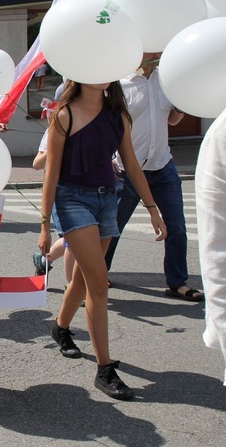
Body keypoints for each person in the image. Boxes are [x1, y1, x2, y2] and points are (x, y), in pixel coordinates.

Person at [39, 79, 166, 400]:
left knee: (83, 280)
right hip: (71, 201)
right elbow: (51, 172)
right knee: (98, 283)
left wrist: (153, 208)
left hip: (108, 199)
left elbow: (133, 165)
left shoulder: (117, 114)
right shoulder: (64, 115)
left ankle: (60, 327)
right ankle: (105, 368)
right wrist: (43, 224)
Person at [104, 53, 203, 302]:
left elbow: (172, 119)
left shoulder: (166, 80)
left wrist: (181, 105)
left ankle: (177, 282)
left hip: (162, 165)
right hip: (127, 170)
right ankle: (98, 277)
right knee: (112, 228)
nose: (159, 54)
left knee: (177, 226)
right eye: (154, 50)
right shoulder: (119, 85)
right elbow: (106, 127)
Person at [194, 107, 226, 384]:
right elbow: (217, 253)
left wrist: (152, 207)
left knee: (177, 232)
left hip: (157, 168)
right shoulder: (221, 134)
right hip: (77, 196)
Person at [31, 129, 75, 286]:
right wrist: (54, 146)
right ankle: (72, 288)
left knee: (75, 238)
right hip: (61, 192)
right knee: (73, 240)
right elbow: (37, 164)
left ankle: (44, 259)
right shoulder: (54, 130)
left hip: (91, 191)